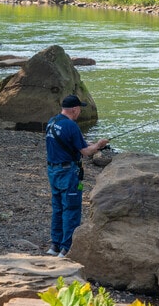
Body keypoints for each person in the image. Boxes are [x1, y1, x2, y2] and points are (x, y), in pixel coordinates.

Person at [45, 94, 109, 258]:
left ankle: (55, 245)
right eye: (79, 108)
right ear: (74, 109)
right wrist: (99, 145)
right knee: (71, 208)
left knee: (58, 207)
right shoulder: (71, 126)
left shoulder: (52, 122)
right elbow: (86, 152)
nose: (80, 111)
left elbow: (71, 144)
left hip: (53, 171)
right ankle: (67, 248)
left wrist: (90, 145)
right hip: (68, 172)